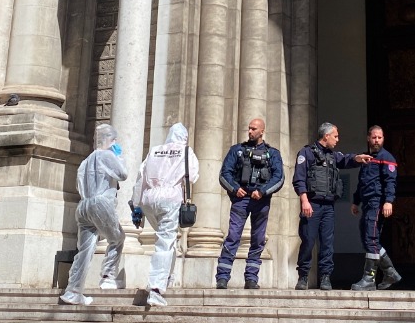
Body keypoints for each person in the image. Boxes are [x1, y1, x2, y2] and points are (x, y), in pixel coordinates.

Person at [292, 123, 370, 290]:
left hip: (328, 207)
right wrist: (304, 201)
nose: (337, 139)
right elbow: (299, 179)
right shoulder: (306, 153)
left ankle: (325, 277)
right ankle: (303, 276)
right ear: (326, 136)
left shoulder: (333, 156)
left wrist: (358, 158)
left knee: (327, 243)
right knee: (308, 241)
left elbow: (346, 159)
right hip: (312, 204)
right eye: (335, 136)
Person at [131, 123, 199, 307]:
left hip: (149, 199)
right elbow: (193, 176)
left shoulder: (154, 151)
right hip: (170, 198)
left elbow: (140, 178)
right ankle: (156, 289)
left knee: (167, 240)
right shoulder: (186, 152)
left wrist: (136, 205)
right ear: (184, 138)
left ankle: (167, 276)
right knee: (165, 242)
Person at [60, 124, 127, 305]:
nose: (115, 143)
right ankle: (108, 277)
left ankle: (73, 291)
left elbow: (79, 185)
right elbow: (123, 174)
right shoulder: (107, 155)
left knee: (85, 249)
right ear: (109, 140)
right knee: (118, 237)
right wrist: (118, 156)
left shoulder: (85, 162)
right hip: (100, 203)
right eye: (114, 140)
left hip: (84, 205)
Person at [215, 118, 285, 289]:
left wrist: (262, 191)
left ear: (262, 131)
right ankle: (222, 278)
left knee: (258, 239)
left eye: (254, 129)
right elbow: (224, 174)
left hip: (261, 201)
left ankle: (251, 278)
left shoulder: (273, 153)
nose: (250, 131)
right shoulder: (237, 150)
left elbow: (279, 177)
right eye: (249, 128)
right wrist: (235, 189)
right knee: (233, 236)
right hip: (241, 199)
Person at [350, 125, 402, 291]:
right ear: (368, 138)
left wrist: (389, 201)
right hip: (366, 203)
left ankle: (369, 279)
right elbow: (362, 182)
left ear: (383, 139)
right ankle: (390, 273)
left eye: (379, 137)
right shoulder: (366, 158)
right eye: (374, 137)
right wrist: (356, 201)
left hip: (377, 203)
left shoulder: (387, 157)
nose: (377, 140)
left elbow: (390, 182)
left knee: (371, 238)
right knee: (367, 238)